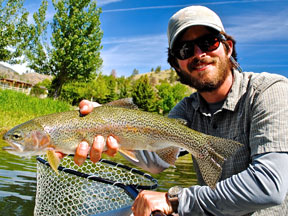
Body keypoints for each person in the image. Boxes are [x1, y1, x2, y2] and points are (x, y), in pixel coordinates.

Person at [58, 5, 288, 216]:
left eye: (209, 42)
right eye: (185, 49)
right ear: (176, 63)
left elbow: (269, 186)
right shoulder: (186, 109)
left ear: (227, 48)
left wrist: (174, 200)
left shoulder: (269, 91)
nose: (199, 54)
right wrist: (105, 124)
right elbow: (156, 162)